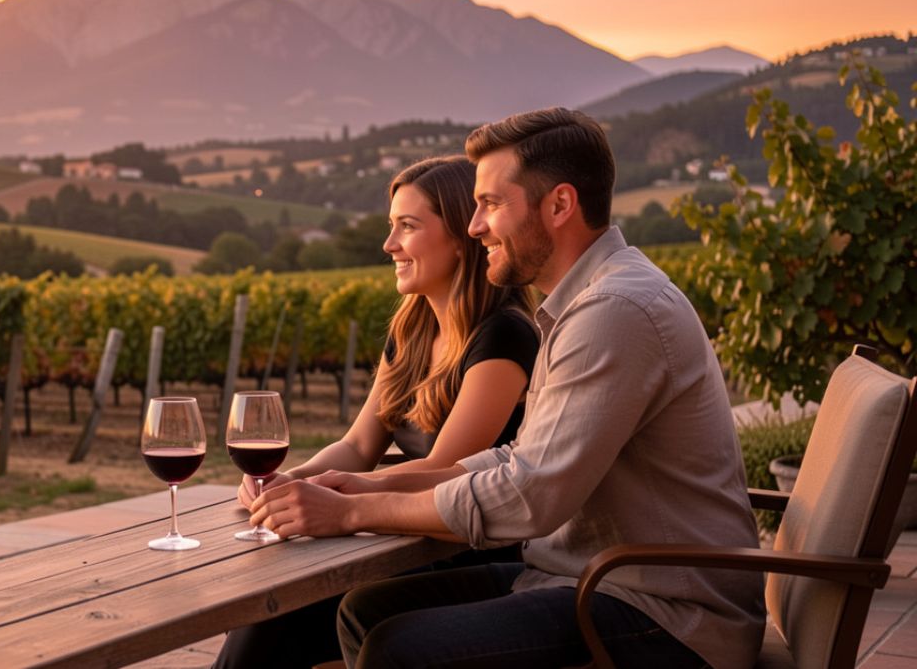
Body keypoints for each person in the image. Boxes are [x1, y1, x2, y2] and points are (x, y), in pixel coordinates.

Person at [250, 108, 766, 668]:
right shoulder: (584, 303)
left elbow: (530, 494)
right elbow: (521, 458)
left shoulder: (614, 310)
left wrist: (352, 513)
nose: (475, 227)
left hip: (663, 612)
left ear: (560, 205)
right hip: (582, 575)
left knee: (399, 651)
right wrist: (357, 486)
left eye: (491, 204)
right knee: (360, 611)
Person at [216, 155, 538, 669]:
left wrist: (328, 495)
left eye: (407, 227)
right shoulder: (411, 331)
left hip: (467, 553)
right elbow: (359, 446)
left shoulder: (503, 334)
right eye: (391, 227)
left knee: (283, 613)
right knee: (269, 607)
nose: (389, 245)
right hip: (400, 540)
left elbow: (444, 472)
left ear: (460, 238)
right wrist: (285, 479)